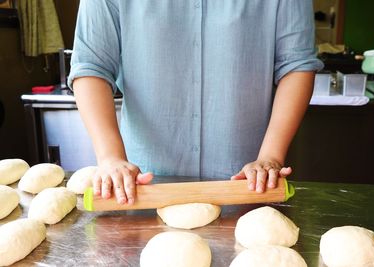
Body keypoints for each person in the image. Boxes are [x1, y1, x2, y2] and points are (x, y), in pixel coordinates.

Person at [68, 0, 323, 205]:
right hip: (142, 186)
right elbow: (92, 67)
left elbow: (296, 67)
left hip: (248, 181)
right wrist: (111, 157)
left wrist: (271, 156)